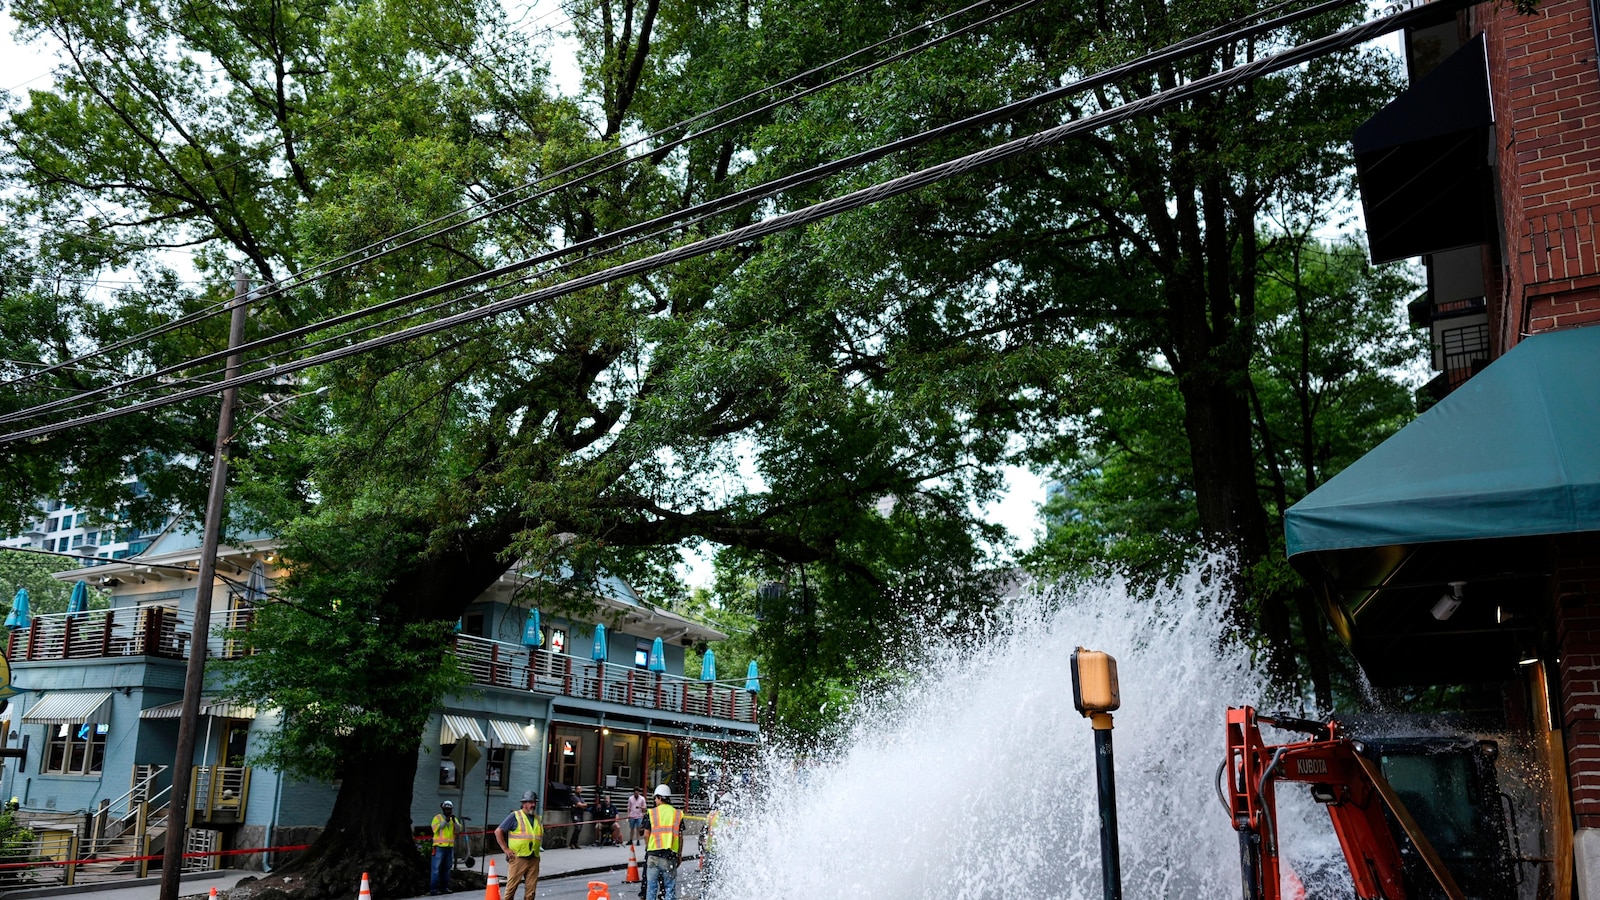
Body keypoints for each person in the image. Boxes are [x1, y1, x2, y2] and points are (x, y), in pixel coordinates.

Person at [495, 790, 543, 900]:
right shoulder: (515, 816)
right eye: (531, 802)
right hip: (518, 858)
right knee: (511, 890)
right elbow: (498, 831)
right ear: (524, 803)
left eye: (534, 802)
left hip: (534, 858)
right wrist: (506, 849)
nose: (533, 805)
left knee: (531, 892)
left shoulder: (537, 818)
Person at [641, 784, 683, 900]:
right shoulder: (677, 814)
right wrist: (679, 855)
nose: (655, 801)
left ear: (660, 797)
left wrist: (648, 848)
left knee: (651, 888)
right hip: (669, 856)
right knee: (669, 888)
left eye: (655, 798)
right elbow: (680, 837)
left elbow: (646, 834)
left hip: (653, 856)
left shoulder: (651, 813)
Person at [430, 800, 461, 895]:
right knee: (436, 869)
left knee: (447, 869)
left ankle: (444, 888)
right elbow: (435, 829)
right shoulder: (437, 818)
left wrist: (454, 821)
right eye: (446, 809)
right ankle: (433, 890)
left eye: (450, 809)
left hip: (449, 848)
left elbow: (459, 830)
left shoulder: (453, 819)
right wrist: (445, 821)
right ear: (443, 809)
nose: (448, 811)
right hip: (439, 847)